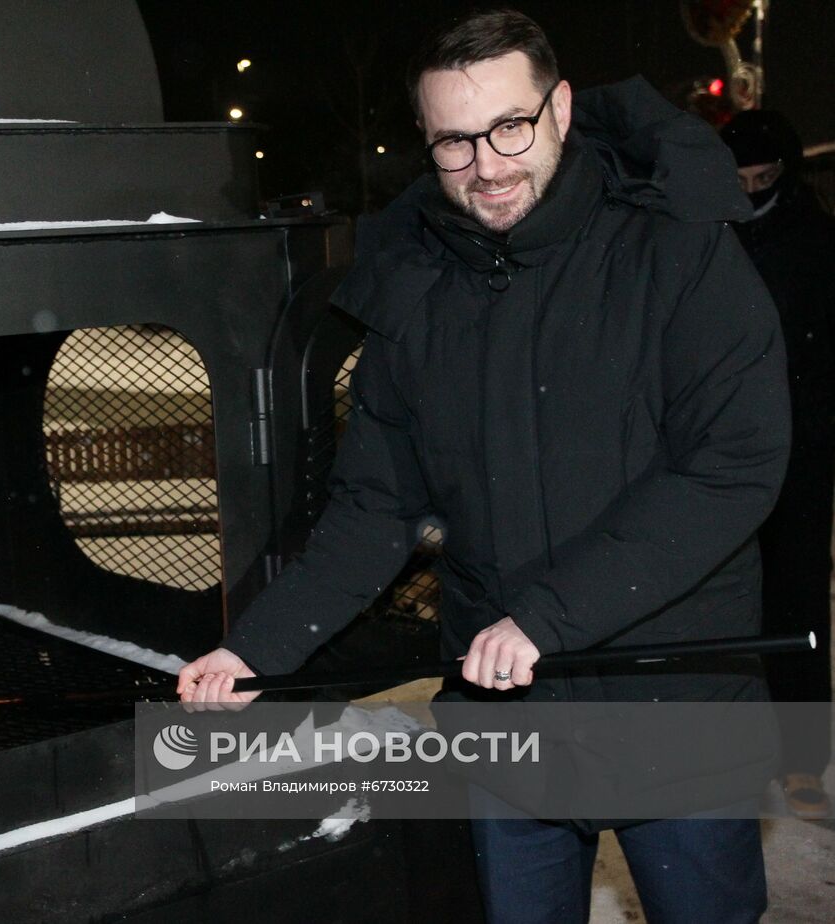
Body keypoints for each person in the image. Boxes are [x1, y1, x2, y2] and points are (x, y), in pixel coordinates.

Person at [179, 9, 787, 923]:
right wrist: (255, 650)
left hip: (674, 698)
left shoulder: (677, 245)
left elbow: (733, 465)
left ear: (562, 108)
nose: (488, 166)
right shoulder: (415, 284)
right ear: (425, 142)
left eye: (510, 127)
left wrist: (546, 617)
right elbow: (374, 508)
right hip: (509, 716)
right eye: (454, 143)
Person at [722, 108, 835, 820]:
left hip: (801, 446)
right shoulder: (707, 232)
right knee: (726, 602)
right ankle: (734, 750)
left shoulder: (816, 240)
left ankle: (801, 761)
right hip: (722, 449)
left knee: (794, 597)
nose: (752, 186)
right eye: (741, 175)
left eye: (764, 175)